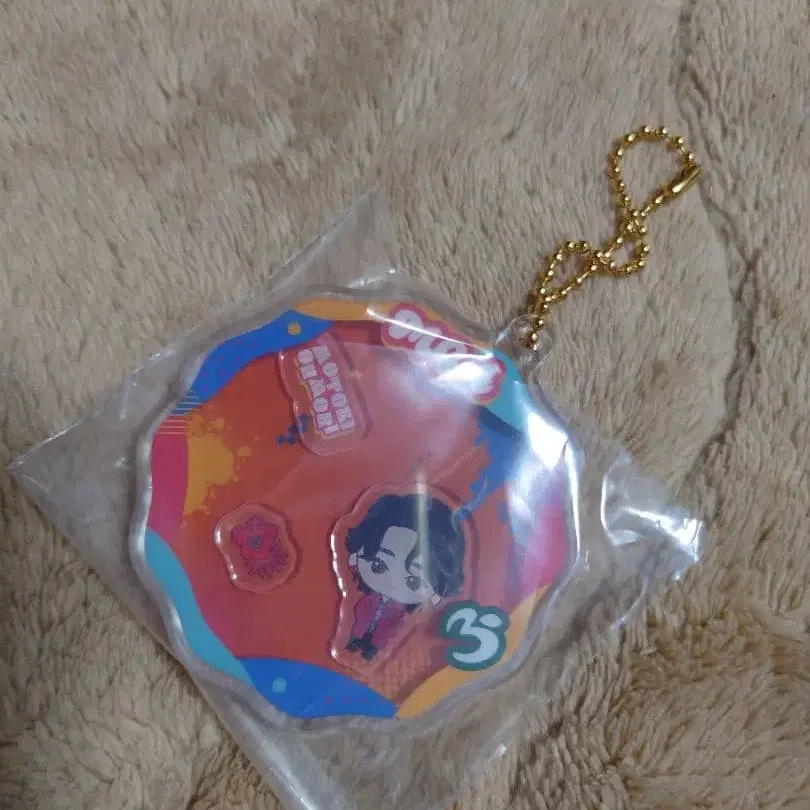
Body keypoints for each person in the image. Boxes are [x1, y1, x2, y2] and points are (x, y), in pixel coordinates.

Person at [345, 492, 465, 661]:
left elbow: (390, 630)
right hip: (367, 612)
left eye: (414, 581)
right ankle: (356, 640)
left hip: (393, 619)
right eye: (378, 565)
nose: (393, 583)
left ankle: (372, 648)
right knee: (362, 619)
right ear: (356, 554)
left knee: (386, 631)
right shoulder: (367, 600)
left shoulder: (399, 613)